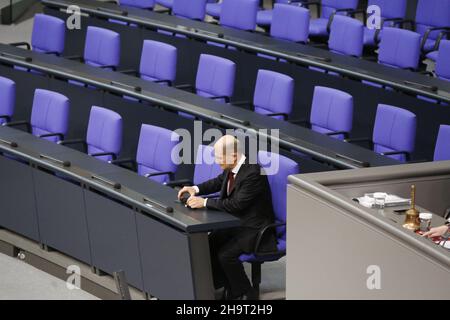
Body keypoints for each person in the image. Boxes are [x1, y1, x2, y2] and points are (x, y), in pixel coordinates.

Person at [177, 135, 277, 300]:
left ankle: (246, 293)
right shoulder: (232, 167)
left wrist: (204, 202)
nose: (217, 161)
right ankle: (223, 286)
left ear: (234, 155)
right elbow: (217, 182)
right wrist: (195, 189)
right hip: (235, 222)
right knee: (208, 245)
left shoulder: (253, 174)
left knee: (225, 255)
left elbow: (236, 204)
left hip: (254, 228)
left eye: (219, 157)